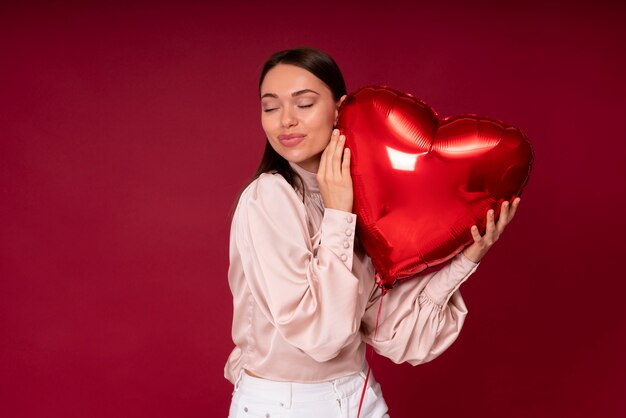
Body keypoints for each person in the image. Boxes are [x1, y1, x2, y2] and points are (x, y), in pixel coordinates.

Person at [224, 47, 521, 418]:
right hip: (285, 404)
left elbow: (390, 331)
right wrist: (336, 215)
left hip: (360, 396)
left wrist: (466, 259)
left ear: (339, 108)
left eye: (304, 104)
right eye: (271, 107)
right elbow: (319, 336)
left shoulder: (361, 199)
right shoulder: (268, 198)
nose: (285, 120)